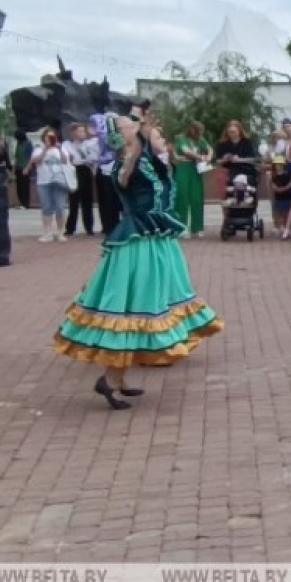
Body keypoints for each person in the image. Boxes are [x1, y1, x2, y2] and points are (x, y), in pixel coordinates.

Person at [53, 114, 223, 410]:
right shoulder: (123, 165)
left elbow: (158, 168)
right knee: (133, 306)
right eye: (125, 125)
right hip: (136, 244)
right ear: (120, 135)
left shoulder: (147, 162)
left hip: (153, 241)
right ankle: (110, 377)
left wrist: (148, 134)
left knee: (146, 304)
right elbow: (131, 166)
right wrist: (141, 136)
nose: (133, 126)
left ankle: (117, 379)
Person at [172, 122, 212, 238]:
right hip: (183, 169)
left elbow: (209, 149)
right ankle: (182, 227)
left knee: (196, 197)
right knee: (182, 197)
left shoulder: (200, 140)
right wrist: (199, 157)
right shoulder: (181, 139)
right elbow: (186, 151)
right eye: (198, 131)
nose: (200, 134)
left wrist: (208, 157)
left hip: (195, 170)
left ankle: (197, 227)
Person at [12, 130, 34, 209]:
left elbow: (30, 157)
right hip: (18, 167)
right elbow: (16, 157)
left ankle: (25, 203)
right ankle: (21, 202)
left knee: (25, 186)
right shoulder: (18, 143)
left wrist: (27, 167)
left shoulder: (28, 144)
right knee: (19, 186)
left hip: (25, 167)